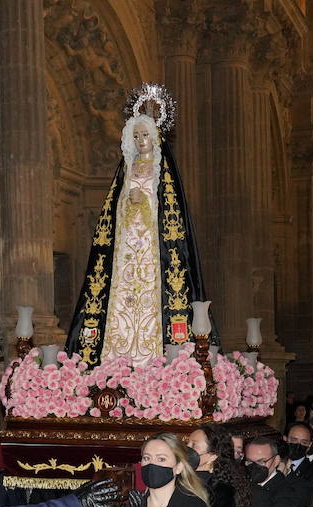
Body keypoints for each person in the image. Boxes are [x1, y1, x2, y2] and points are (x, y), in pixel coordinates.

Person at [64, 86, 211, 367]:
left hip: (153, 249)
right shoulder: (126, 171)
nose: (141, 140)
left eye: (145, 135)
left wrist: (144, 201)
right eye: (136, 136)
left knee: (151, 298)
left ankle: (154, 359)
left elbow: (170, 213)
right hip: (126, 248)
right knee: (122, 296)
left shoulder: (162, 171)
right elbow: (112, 211)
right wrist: (128, 202)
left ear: (155, 138)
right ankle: (115, 358)